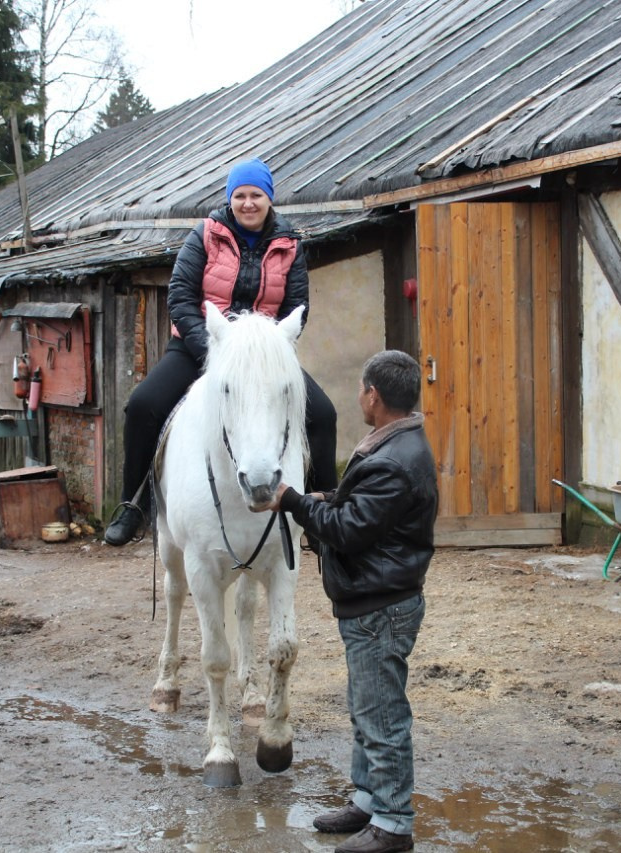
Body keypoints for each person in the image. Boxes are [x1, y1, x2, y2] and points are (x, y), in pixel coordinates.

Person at [104, 157, 337, 546]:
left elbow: (297, 307)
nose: (248, 203)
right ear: (230, 199)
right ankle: (134, 504)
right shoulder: (205, 235)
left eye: (256, 195)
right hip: (199, 347)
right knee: (143, 405)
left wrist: (269, 348)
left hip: (261, 358)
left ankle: (322, 513)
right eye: (240, 195)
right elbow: (180, 298)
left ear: (269, 198)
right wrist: (215, 350)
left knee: (323, 414)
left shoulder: (290, 245)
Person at [259, 350, 437, 853]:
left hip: (380, 607)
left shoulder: (394, 461)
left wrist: (294, 502)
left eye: (361, 389)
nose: (359, 397)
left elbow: (351, 530)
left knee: (382, 718)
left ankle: (393, 824)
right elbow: (362, 509)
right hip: (372, 601)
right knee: (365, 708)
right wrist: (325, 498)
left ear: (373, 395)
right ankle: (368, 801)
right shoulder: (394, 444)